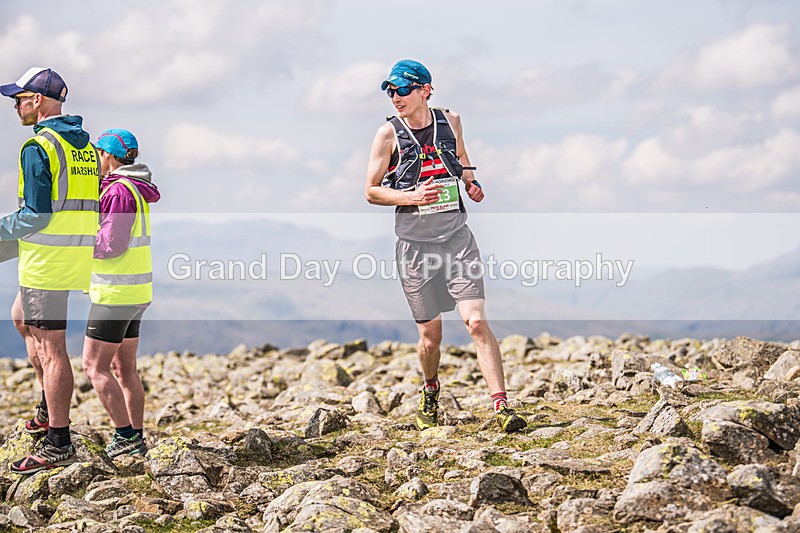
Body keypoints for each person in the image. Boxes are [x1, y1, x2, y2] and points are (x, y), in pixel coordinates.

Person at [365, 59, 527, 433]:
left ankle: (501, 407)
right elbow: (371, 191)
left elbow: (463, 159)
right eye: (390, 90)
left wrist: (471, 183)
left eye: (402, 89)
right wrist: (413, 196)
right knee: (431, 338)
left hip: (457, 239)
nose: (395, 97)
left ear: (425, 89)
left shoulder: (450, 121)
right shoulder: (387, 134)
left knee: (475, 322)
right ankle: (430, 388)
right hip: (415, 247)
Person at [0, 67, 100, 473]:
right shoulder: (84, 148)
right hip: (69, 254)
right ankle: (47, 406)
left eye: (19, 99)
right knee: (21, 319)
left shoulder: (39, 147)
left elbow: (36, 215)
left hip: (47, 260)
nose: (15, 106)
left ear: (38, 100)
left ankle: (59, 440)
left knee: (51, 349)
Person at [82, 129, 159, 458]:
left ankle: (125, 436)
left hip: (115, 294)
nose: (97, 160)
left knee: (92, 367)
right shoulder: (136, 188)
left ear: (108, 156)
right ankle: (136, 438)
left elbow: (112, 245)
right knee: (123, 369)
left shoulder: (118, 191)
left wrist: (79, 243)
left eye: (99, 153)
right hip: (137, 290)